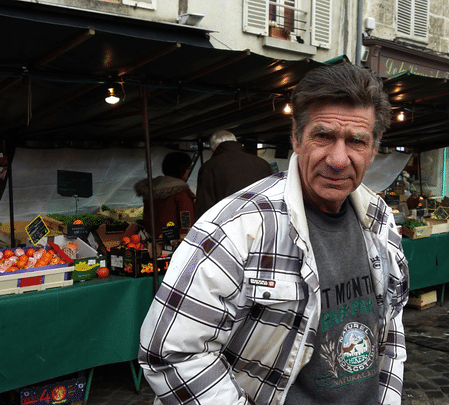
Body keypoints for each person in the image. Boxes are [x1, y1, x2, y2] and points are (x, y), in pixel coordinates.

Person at [139, 63, 409, 405]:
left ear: (374, 146)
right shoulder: (235, 227)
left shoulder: (379, 217)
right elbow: (171, 352)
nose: (339, 159)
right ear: (296, 137)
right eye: (323, 136)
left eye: (356, 140)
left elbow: (391, 324)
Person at [194, 130, 273, 217]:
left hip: (227, 224)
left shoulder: (209, 167)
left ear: (212, 150)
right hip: (261, 221)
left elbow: (204, 205)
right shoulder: (263, 164)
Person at [134, 151, 196, 241]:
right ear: (180, 168)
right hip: (175, 240)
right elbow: (186, 219)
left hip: (153, 239)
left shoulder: (150, 189)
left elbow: (147, 218)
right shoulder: (180, 191)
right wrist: (186, 236)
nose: (189, 170)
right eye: (187, 167)